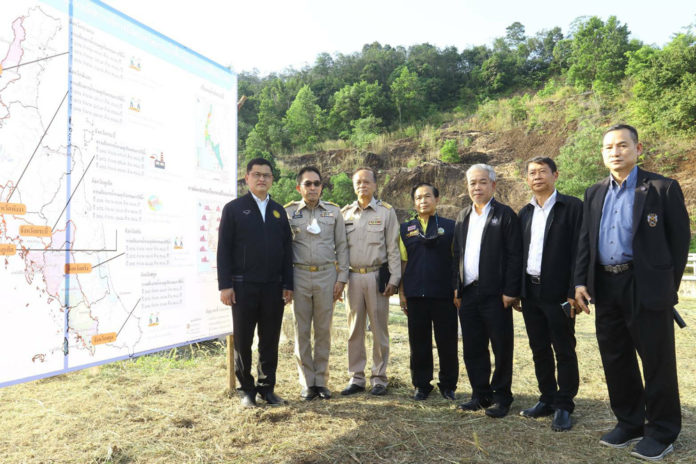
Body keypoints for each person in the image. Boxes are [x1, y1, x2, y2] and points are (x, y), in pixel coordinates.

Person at [575, 124, 690, 461]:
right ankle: (629, 422)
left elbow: (679, 242)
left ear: (638, 149)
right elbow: (585, 240)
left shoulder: (661, 188)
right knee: (615, 357)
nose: (615, 151)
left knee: (657, 361)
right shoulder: (594, 192)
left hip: (644, 285)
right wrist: (580, 282)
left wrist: (665, 286)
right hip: (605, 285)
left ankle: (662, 431)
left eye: (623, 145)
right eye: (609, 146)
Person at [217, 158, 294, 408]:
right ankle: (246, 390)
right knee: (243, 340)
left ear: (272, 179)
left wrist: (288, 284)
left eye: (267, 175)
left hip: (273, 287)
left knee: (269, 339)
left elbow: (287, 250)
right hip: (242, 287)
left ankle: (266, 388)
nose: (262, 179)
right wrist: (225, 285)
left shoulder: (278, 211)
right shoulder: (234, 208)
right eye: (257, 175)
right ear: (247, 178)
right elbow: (223, 250)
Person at [516, 156, 582, 431]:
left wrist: (573, 291)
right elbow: (518, 254)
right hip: (531, 291)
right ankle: (547, 398)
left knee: (564, 348)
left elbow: (581, 251)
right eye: (532, 172)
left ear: (556, 174)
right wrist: (518, 291)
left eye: (543, 171)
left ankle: (564, 405)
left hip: (560, 294)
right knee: (538, 347)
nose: (537, 176)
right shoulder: (525, 213)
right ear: (527, 179)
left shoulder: (572, 207)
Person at [453, 163, 522, 418]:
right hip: (468, 293)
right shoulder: (463, 216)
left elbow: (515, 256)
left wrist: (510, 291)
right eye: (472, 183)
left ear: (493, 185)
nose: (477, 187)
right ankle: (479, 395)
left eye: (482, 182)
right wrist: (456, 288)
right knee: (473, 346)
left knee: (501, 347)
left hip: (497, 295)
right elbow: (457, 255)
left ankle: (502, 397)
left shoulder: (505, 215)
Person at [284, 166, 349, 401]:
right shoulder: (289, 212)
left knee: (323, 331)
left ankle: (321, 381)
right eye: (308, 183)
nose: (313, 188)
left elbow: (342, 246)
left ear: (321, 186)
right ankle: (306, 383)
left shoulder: (334, 212)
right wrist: (286, 283)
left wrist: (342, 279)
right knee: (301, 331)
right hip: (299, 276)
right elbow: (284, 250)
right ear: (299, 187)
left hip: (326, 276)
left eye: (317, 183)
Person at [340, 167, 401, 396]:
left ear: (375, 185)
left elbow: (393, 248)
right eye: (358, 182)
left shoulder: (386, 212)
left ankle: (379, 378)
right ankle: (356, 378)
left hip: (377, 277)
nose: (362, 186)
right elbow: (340, 250)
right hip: (353, 277)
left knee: (379, 329)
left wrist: (394, 279)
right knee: (354, 330)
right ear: (354, 186)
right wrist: (340, 279)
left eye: (367, 182)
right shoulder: (345, 214)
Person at [398, 183, 458, 401]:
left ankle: (448, 384)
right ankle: (422, 385)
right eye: (418, 197)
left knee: (447, 342)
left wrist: (456, 290)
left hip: (444, 295)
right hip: (415, 295)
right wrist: (402, 292)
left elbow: (456, 262)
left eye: (427, 196)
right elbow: (403, 263)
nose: (423, 201)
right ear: (414, 202)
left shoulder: (451, 227)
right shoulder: (405, 229)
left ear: (437, 199)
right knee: (418, 342)